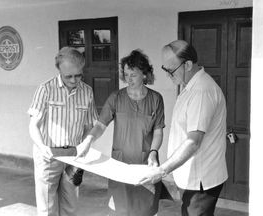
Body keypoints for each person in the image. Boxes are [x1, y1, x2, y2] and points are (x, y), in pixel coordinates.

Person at [139, 40, 228, 216]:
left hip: (201, 180)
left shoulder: (201, 91)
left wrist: (162, 170)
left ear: (187, 65)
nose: (168, 75)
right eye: (165, 70)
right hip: (192, 178)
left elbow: (193, 142)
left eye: (170, 70)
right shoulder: (190, 87)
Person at [76, 49, 165, 216]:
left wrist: (153, 152)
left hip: (146, 163)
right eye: (126, 74)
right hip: (120, 164)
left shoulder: (156, 99)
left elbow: (158, 132)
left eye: (133, 74)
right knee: (121, 210)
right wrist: (87, 142)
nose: (128, 79)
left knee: (145, 209)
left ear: (144, 74)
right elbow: (100, 125)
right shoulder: (116, 97)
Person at [28, 47, 98, 216]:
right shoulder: (45, 89)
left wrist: (86, 144)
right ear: (59, 70)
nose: (74, 80)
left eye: (78, 75)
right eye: (69, 76)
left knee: (71, 207)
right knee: (47, 209)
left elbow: (90, 126)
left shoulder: (87, 91)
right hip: (48, 156)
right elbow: (33, 125)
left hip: (74, 157)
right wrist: (42, 146)